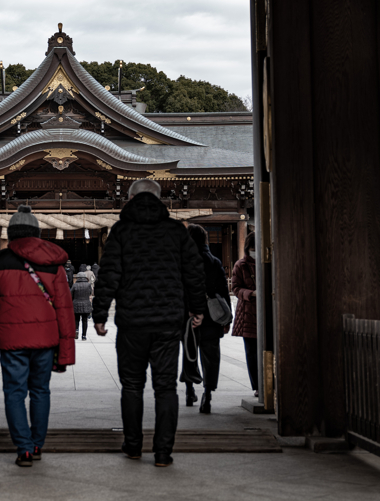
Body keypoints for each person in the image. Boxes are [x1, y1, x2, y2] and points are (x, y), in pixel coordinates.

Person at [92, 179, 204, 468]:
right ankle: (163, 453)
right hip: (168, 322)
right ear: (159, 199)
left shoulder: (121, 231)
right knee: (165, 387)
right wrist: (197, 308)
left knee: (132, 385)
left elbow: (109, 275)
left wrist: (101, 315)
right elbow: (193, 272)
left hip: (131, 321)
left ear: (129, 199)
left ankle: (132, 446)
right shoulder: (176, 232)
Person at [0, 205, 75, 467]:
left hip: (11, 341)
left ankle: (24, 449)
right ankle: (37, 443)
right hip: (46, 339)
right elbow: (65, 310)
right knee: (41, 390)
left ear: (11, 235)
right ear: (37, 233)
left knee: (14, 392)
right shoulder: (55, 264)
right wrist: (67, 348)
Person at [182, 224, 231, 414]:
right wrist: (227, 319)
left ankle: (188, 391)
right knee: (211, 357)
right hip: (211, 316)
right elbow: (223, 292)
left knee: (189, 354)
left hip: (188, 317)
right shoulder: (214, 262)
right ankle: (207, 396)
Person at [231, 231, 259, 397]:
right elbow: (235, 288)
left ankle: (272, 383)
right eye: (252, 248)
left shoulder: (269, 262)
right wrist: (251, 294)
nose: (255, 252)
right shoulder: (240, 265)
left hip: (267, 311)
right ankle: (256, 386)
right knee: (252, 352)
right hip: (248, 312)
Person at [71, 273, 93, 340]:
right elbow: (90, 293)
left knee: (76, 319)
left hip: (76, 304)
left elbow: (71, 294)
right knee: (85, 321)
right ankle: (84, 336)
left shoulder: (75, 285)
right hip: (86, 304)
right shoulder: (88, 285)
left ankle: (76, 331)